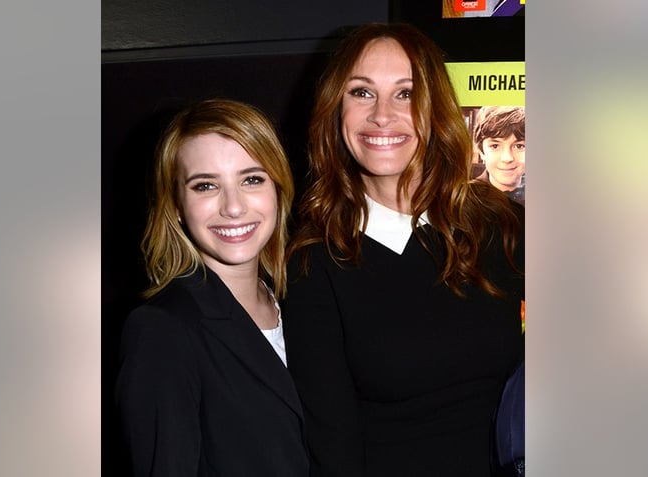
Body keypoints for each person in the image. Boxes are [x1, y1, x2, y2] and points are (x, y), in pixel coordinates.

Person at [281, 23, 525, 477]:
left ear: (435, 109)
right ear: (336, 109)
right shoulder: (314, 261)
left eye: (406, 93)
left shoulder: (499, 222)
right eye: (361, 92)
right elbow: (334, 447)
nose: (382, 115)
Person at [115, 98, 309, 476]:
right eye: (205, 186)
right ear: (175, 206)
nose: (233, 207)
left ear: (279, 188)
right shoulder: (161, 329)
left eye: (252, 179)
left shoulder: (299, 301)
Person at [473, 105, 526, 206]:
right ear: (481, 152)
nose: (507, 158)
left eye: (519, 146)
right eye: (495, 146)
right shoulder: (461, 201)